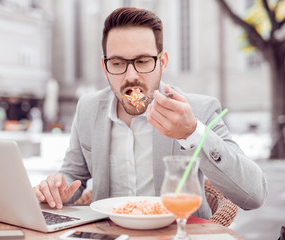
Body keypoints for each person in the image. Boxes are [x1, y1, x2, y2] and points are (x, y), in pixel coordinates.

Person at [33, 7, 267, 219]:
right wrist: (56, 189)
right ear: (105, 68)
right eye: (117, 63)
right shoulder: (88, 108)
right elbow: (72, 175)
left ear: (162, 62)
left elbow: (254, 195)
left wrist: (193, 132)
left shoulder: (198, 110)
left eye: (143, 61)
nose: (131, 76)